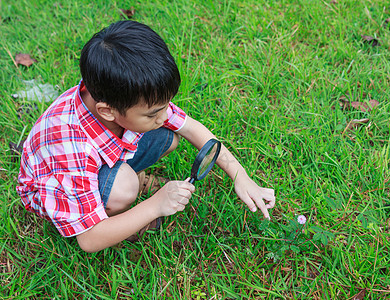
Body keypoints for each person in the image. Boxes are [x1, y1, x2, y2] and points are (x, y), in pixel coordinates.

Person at [16, 20, 276, 253]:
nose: (164, 117)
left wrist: (241, 176)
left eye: (166, 106)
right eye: (152, 113)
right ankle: (121, 212)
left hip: (100, 154)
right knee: (124, 188)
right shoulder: (73, 147)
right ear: (108, 111)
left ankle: (136, 181)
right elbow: (88, 240)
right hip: (58, 187)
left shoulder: (127, 95)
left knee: (168, 136)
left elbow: (191, 129)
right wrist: (155, 205)